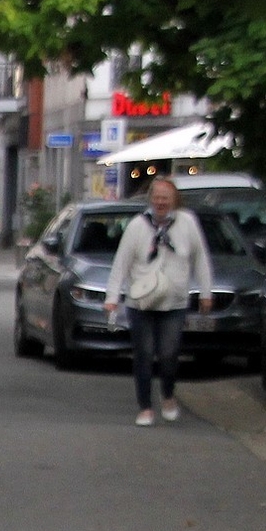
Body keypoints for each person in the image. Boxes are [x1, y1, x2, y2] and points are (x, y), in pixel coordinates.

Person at [104, 175, 217, 427]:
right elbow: (121, 263)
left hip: (174, 302)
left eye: (165, 198)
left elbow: (201, 258)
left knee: (169, 353)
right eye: (156, 198)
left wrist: (206, 292)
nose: (160, 202)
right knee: (143, 354)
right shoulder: (137, 226)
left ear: (174, 200)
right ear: (150, 200)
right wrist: (112, 298)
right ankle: (145, 407)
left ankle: (167, 394)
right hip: (141, 301)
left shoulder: (187, 223)